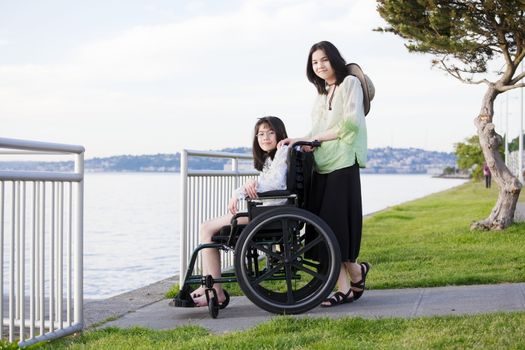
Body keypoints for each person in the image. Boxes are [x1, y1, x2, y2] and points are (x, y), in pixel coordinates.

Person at [279, 41, 371, 307]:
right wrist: (298, 140)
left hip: (343, 160)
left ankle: (346, 285)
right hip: (322, 162)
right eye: (314, 63)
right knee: (327, 228)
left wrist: (315, 138)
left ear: (334, 60)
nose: (319, 66)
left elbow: (351, 123)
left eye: (323, 60)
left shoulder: (349, 84)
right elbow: (315, 129)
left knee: (338, 227)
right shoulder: (322, 93)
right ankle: (354, 274)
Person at [191, 116, 289, 307]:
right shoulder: (274, 157)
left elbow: (276, 184)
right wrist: (249, 186)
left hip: (272, 213)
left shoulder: (283, 152)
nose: (265, 137)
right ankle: (209, 287)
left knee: (206, 228)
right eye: (261, 134)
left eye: (270, 132)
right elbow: (268, 184)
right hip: (269, 211)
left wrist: (242, 190)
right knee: (208, 229)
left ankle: (213, 290)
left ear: (279, 134)